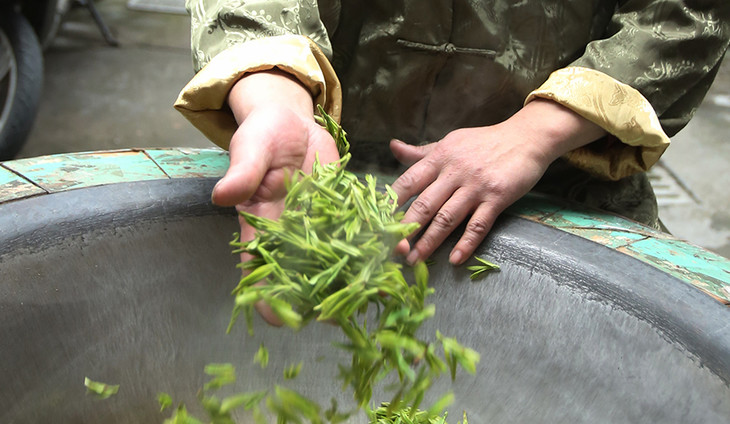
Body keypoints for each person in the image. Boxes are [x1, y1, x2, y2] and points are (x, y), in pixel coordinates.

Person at [175, 1, 730, 269]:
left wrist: (533, 136)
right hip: (330, 154)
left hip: (565, 165)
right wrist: (276, 95)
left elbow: (683, 15)